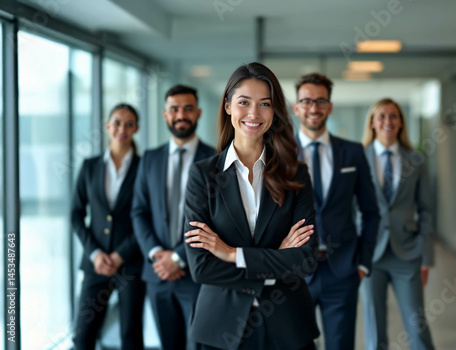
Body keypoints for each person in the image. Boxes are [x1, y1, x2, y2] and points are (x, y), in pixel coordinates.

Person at [184, 62, 319, 350]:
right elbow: (201, 267)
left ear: (275, 111)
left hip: (288, 325)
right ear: (228, 106)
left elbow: (306, 260)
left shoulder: (295, 175)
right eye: (244, 102)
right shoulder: (203, 176)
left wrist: (233, 254)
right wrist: (276, 260)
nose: (254, 114)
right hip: (221, 327)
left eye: (265, 104)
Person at [293, 73, 380, 350]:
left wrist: (363, 263)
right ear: (296, 108)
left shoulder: (352, 153)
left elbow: (371, 212)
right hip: (293, 272)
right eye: (306, 101)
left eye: (320, 101)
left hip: (342, 271)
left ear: (330, 106)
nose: (313, 108)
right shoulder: (278, 154)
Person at [131, 85, 215, 349]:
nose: (181, 115)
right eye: (174, 109)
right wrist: (157, 253)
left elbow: (216, 218)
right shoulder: (150, 159)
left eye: (188, 109)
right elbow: (139, 211)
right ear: (165, 114)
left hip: (196, 273)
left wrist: (178, 256)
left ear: (198, 113)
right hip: (158, 274)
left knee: (198, 344)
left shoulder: (215, 159)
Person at [359, 98, 435, 350]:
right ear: (372, 122)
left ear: (401, 122)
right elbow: (349, 210)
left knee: (417, 325)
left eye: (393, 116)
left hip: (408, 253)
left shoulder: (416, 160)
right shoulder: (358, 157)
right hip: (369, 255)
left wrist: (426, 257)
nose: (387, 121)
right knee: (374, 328)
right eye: (381, 116)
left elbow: (426, 210)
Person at [71, 103, 145, 350]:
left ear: (136, 128)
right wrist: (95, 253)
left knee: (130, 335)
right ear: (107, 126)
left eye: (128, 124)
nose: (121, 129)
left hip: (131, 262)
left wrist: (120, 254)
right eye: (116, 122)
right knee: (83, 336)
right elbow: (76, 214)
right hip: (96, 262)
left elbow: (147, 217)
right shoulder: (90, 166)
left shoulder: (144, 167)